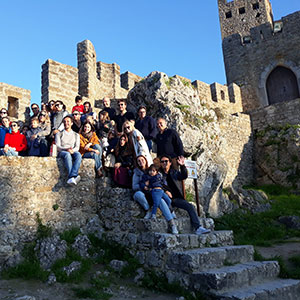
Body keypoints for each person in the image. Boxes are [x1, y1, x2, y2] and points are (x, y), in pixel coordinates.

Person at [160, 155, 211, 235]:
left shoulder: (174, 172)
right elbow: (157, 184)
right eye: (162, 162)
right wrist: (165, 191)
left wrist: (182, 165)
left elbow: (184, 176)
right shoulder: (160, 174)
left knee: (190, 206)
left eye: (166, 161)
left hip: (176, 199)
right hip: (166, 198)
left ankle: (198, 227)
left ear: (170, 163)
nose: (164, 163)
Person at [132, 155, 178, 234]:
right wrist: (145, 186)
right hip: (144, 192)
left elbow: (161, 183)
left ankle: (172, 223)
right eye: (138, 161)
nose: (141, 162)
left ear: (145, 161)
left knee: (160, 200)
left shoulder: (152, 170)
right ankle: (149, 210)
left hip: (154, 192)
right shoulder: (136, 173)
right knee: (138, 194)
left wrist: (165, 190)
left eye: (142, 160)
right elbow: (134, 186)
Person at [55, 116, 82, 185]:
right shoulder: (59, 134)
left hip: (72, 151)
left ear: (72, 123)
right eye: (64, 121)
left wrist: (72, 150)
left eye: (68, 121)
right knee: (67, 155)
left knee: (78, 155)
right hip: (62, 151)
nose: (66, 123)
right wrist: (67, 149)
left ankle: (72, 176)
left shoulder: (76, 135)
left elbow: (77, 147)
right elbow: (58, 146)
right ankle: (72, 176)